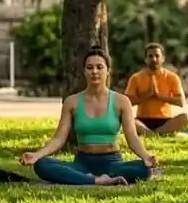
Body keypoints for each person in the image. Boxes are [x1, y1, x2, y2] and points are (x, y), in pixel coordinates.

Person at [20, 46, 157, 185]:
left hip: (112, 164)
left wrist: (146, 157)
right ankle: (97, 180)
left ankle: (91, 179)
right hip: (82, 164)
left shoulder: (121, 101)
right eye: (90, 67)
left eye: (99, 67)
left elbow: (132, 138)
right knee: (41, 165)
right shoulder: (72, 102)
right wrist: (37, 155)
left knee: (144, 170)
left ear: (108, 71)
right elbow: (59, 139)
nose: (94, 72)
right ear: (84, 71)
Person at [125, 43, 188, 136]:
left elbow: (181, 102)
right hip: (142, 121)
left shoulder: (172, 77)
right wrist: (147, 95)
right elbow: (127, 102)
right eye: (150, 56)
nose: (154, 59)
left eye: (157, 56)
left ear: (163, 58)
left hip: (165, 121)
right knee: (126, 119)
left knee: (185, 118)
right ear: (145, 59)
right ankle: (157, 134)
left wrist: (159, 96)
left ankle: (151, 134)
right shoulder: (136, 78)